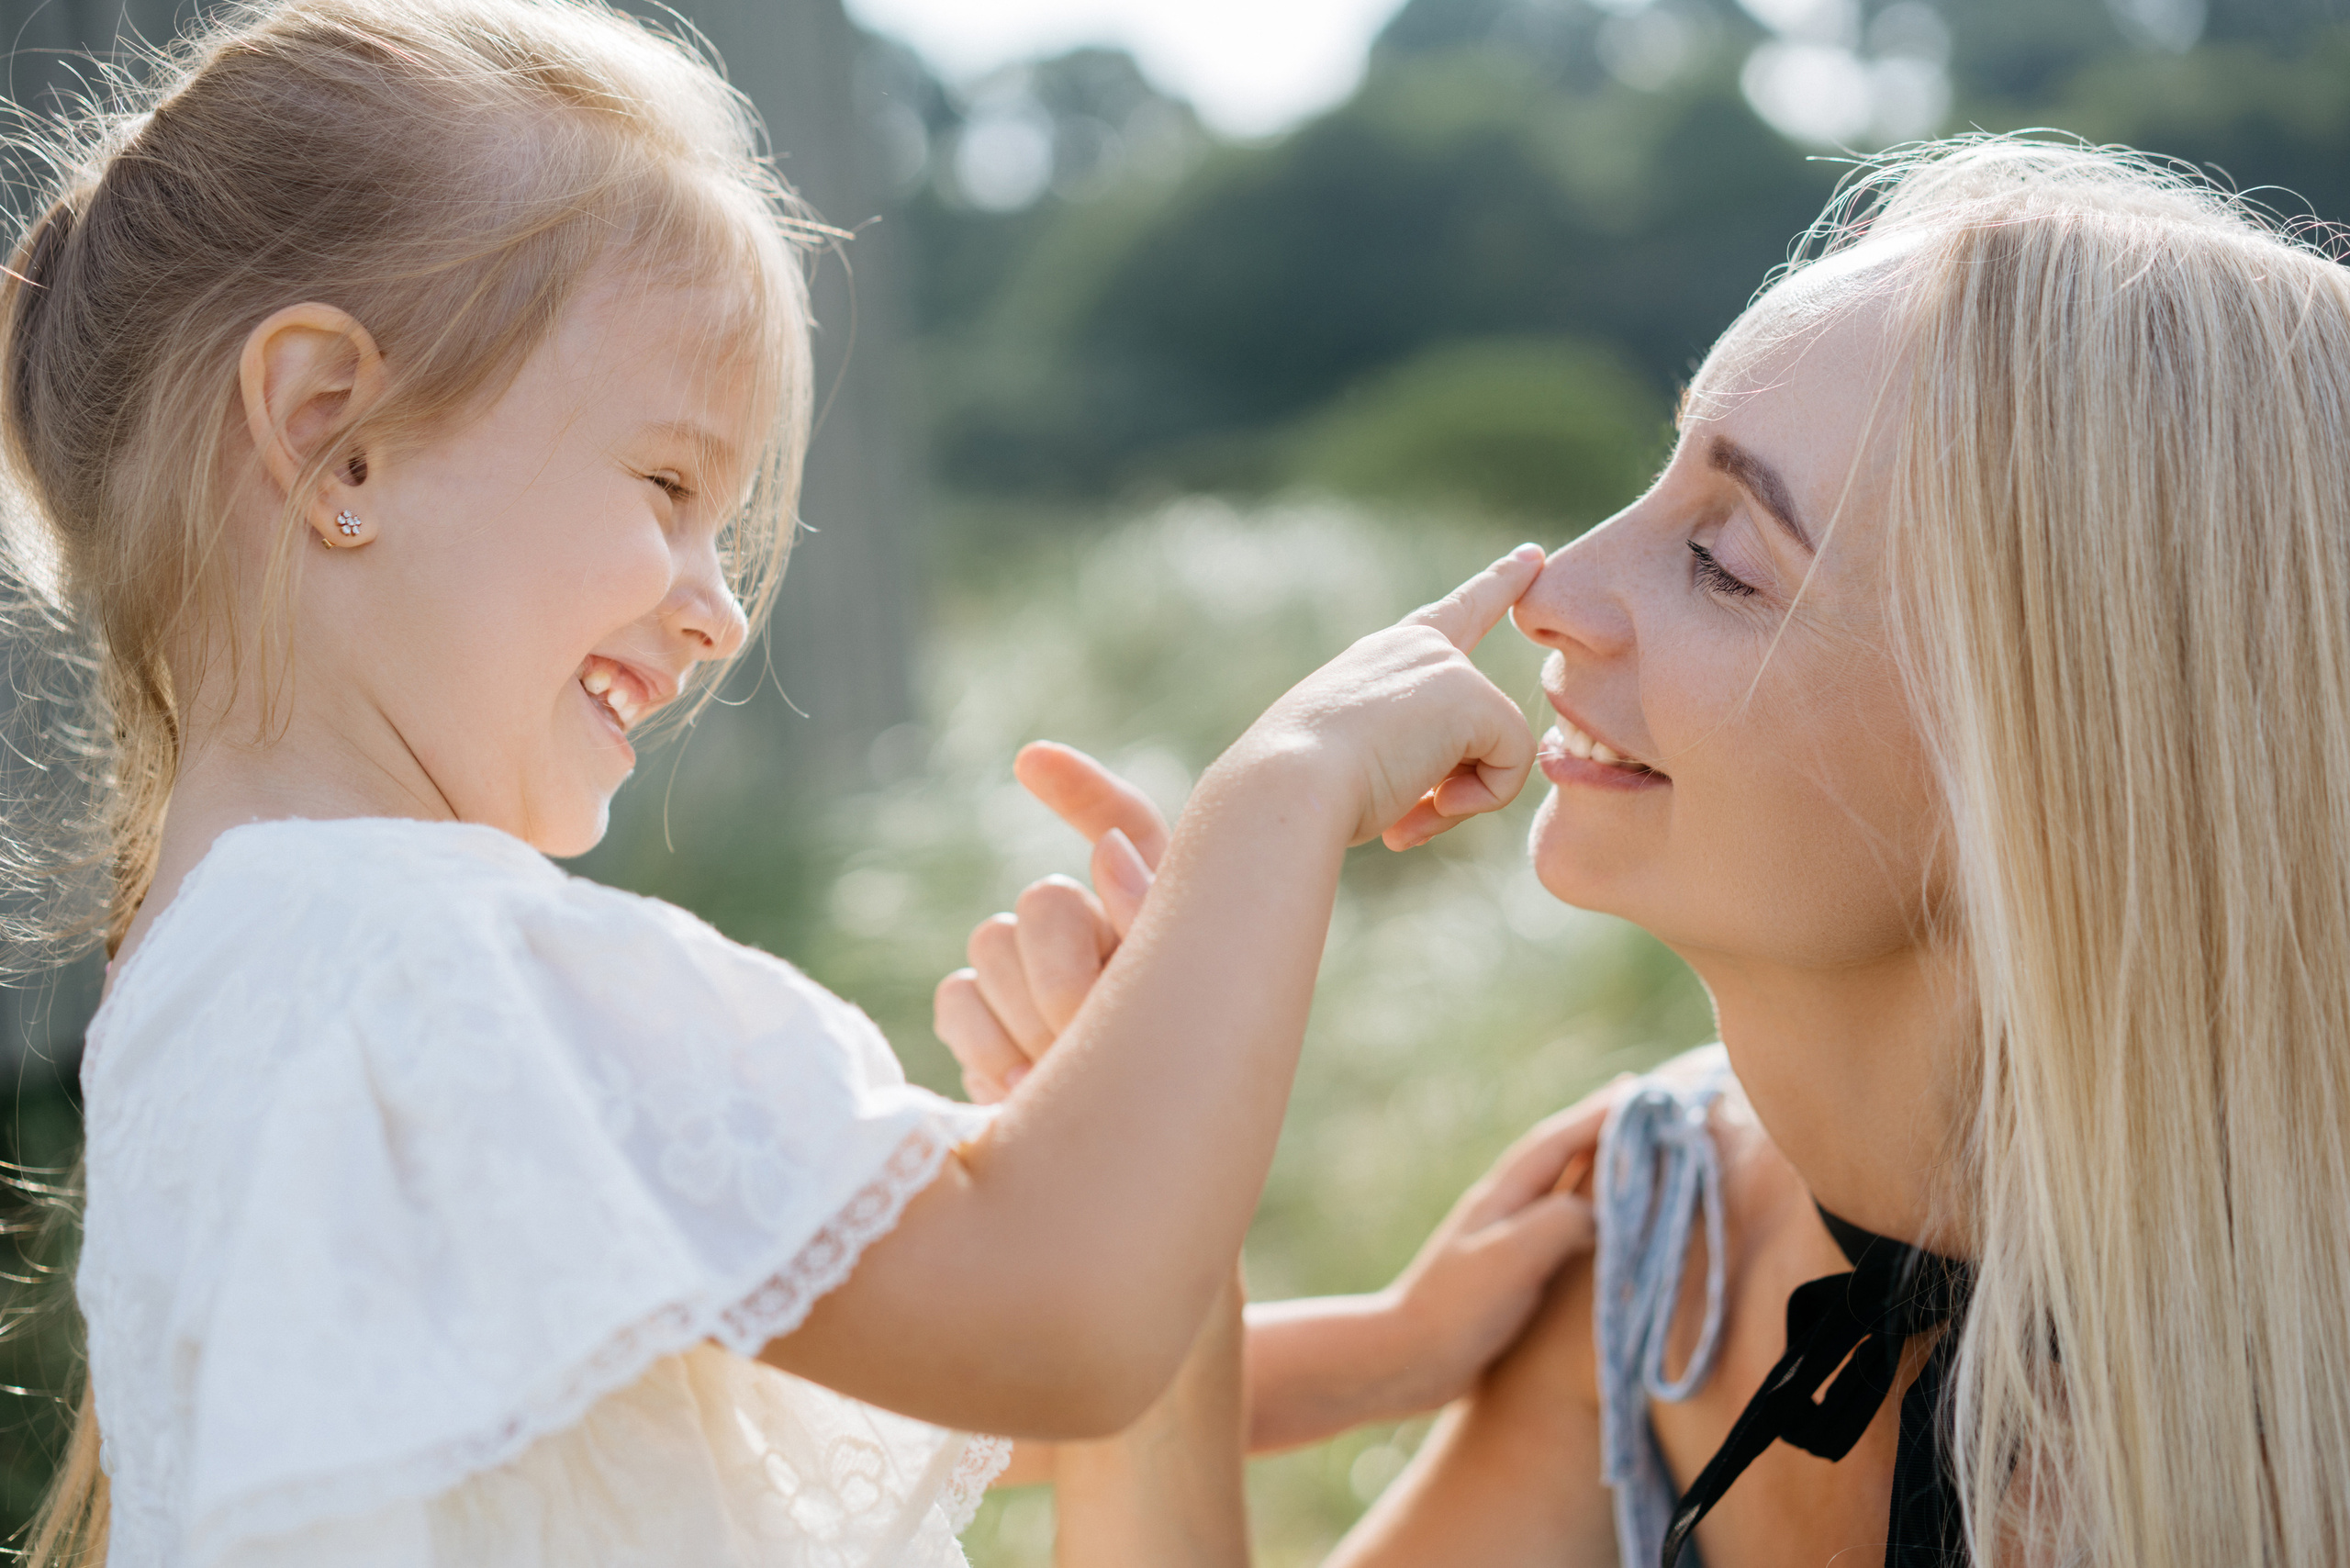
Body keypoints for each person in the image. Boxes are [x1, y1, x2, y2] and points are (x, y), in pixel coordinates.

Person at [0, 3, 1597, 1563]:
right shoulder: (435, 968)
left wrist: (1394, 1348)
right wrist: (1289, 781)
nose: (722, 602)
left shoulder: (232, 993)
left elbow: (822, 1384)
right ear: (331, 435)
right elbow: (1051, 1318)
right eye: (667, 481)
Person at [942, 135, 2350, 1567]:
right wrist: (1155, 1239)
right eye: (1656, 481)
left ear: (2061, 764)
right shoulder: (1656, 1243)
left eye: (1726, 561)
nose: (1557, 589)